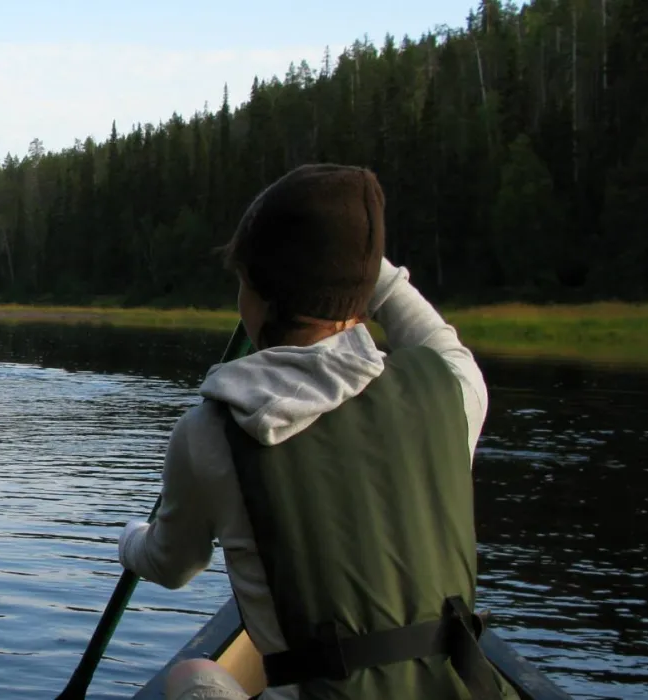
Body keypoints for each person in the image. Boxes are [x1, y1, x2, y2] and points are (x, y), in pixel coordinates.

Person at [118, 164, 513, 699]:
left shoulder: (211, 432)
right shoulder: (454, 387)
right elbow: (418, 319)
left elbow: (171, 564)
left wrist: (128, 543)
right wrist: (352, 255)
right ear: (362, 284)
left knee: (192, 676)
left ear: (256, 295)